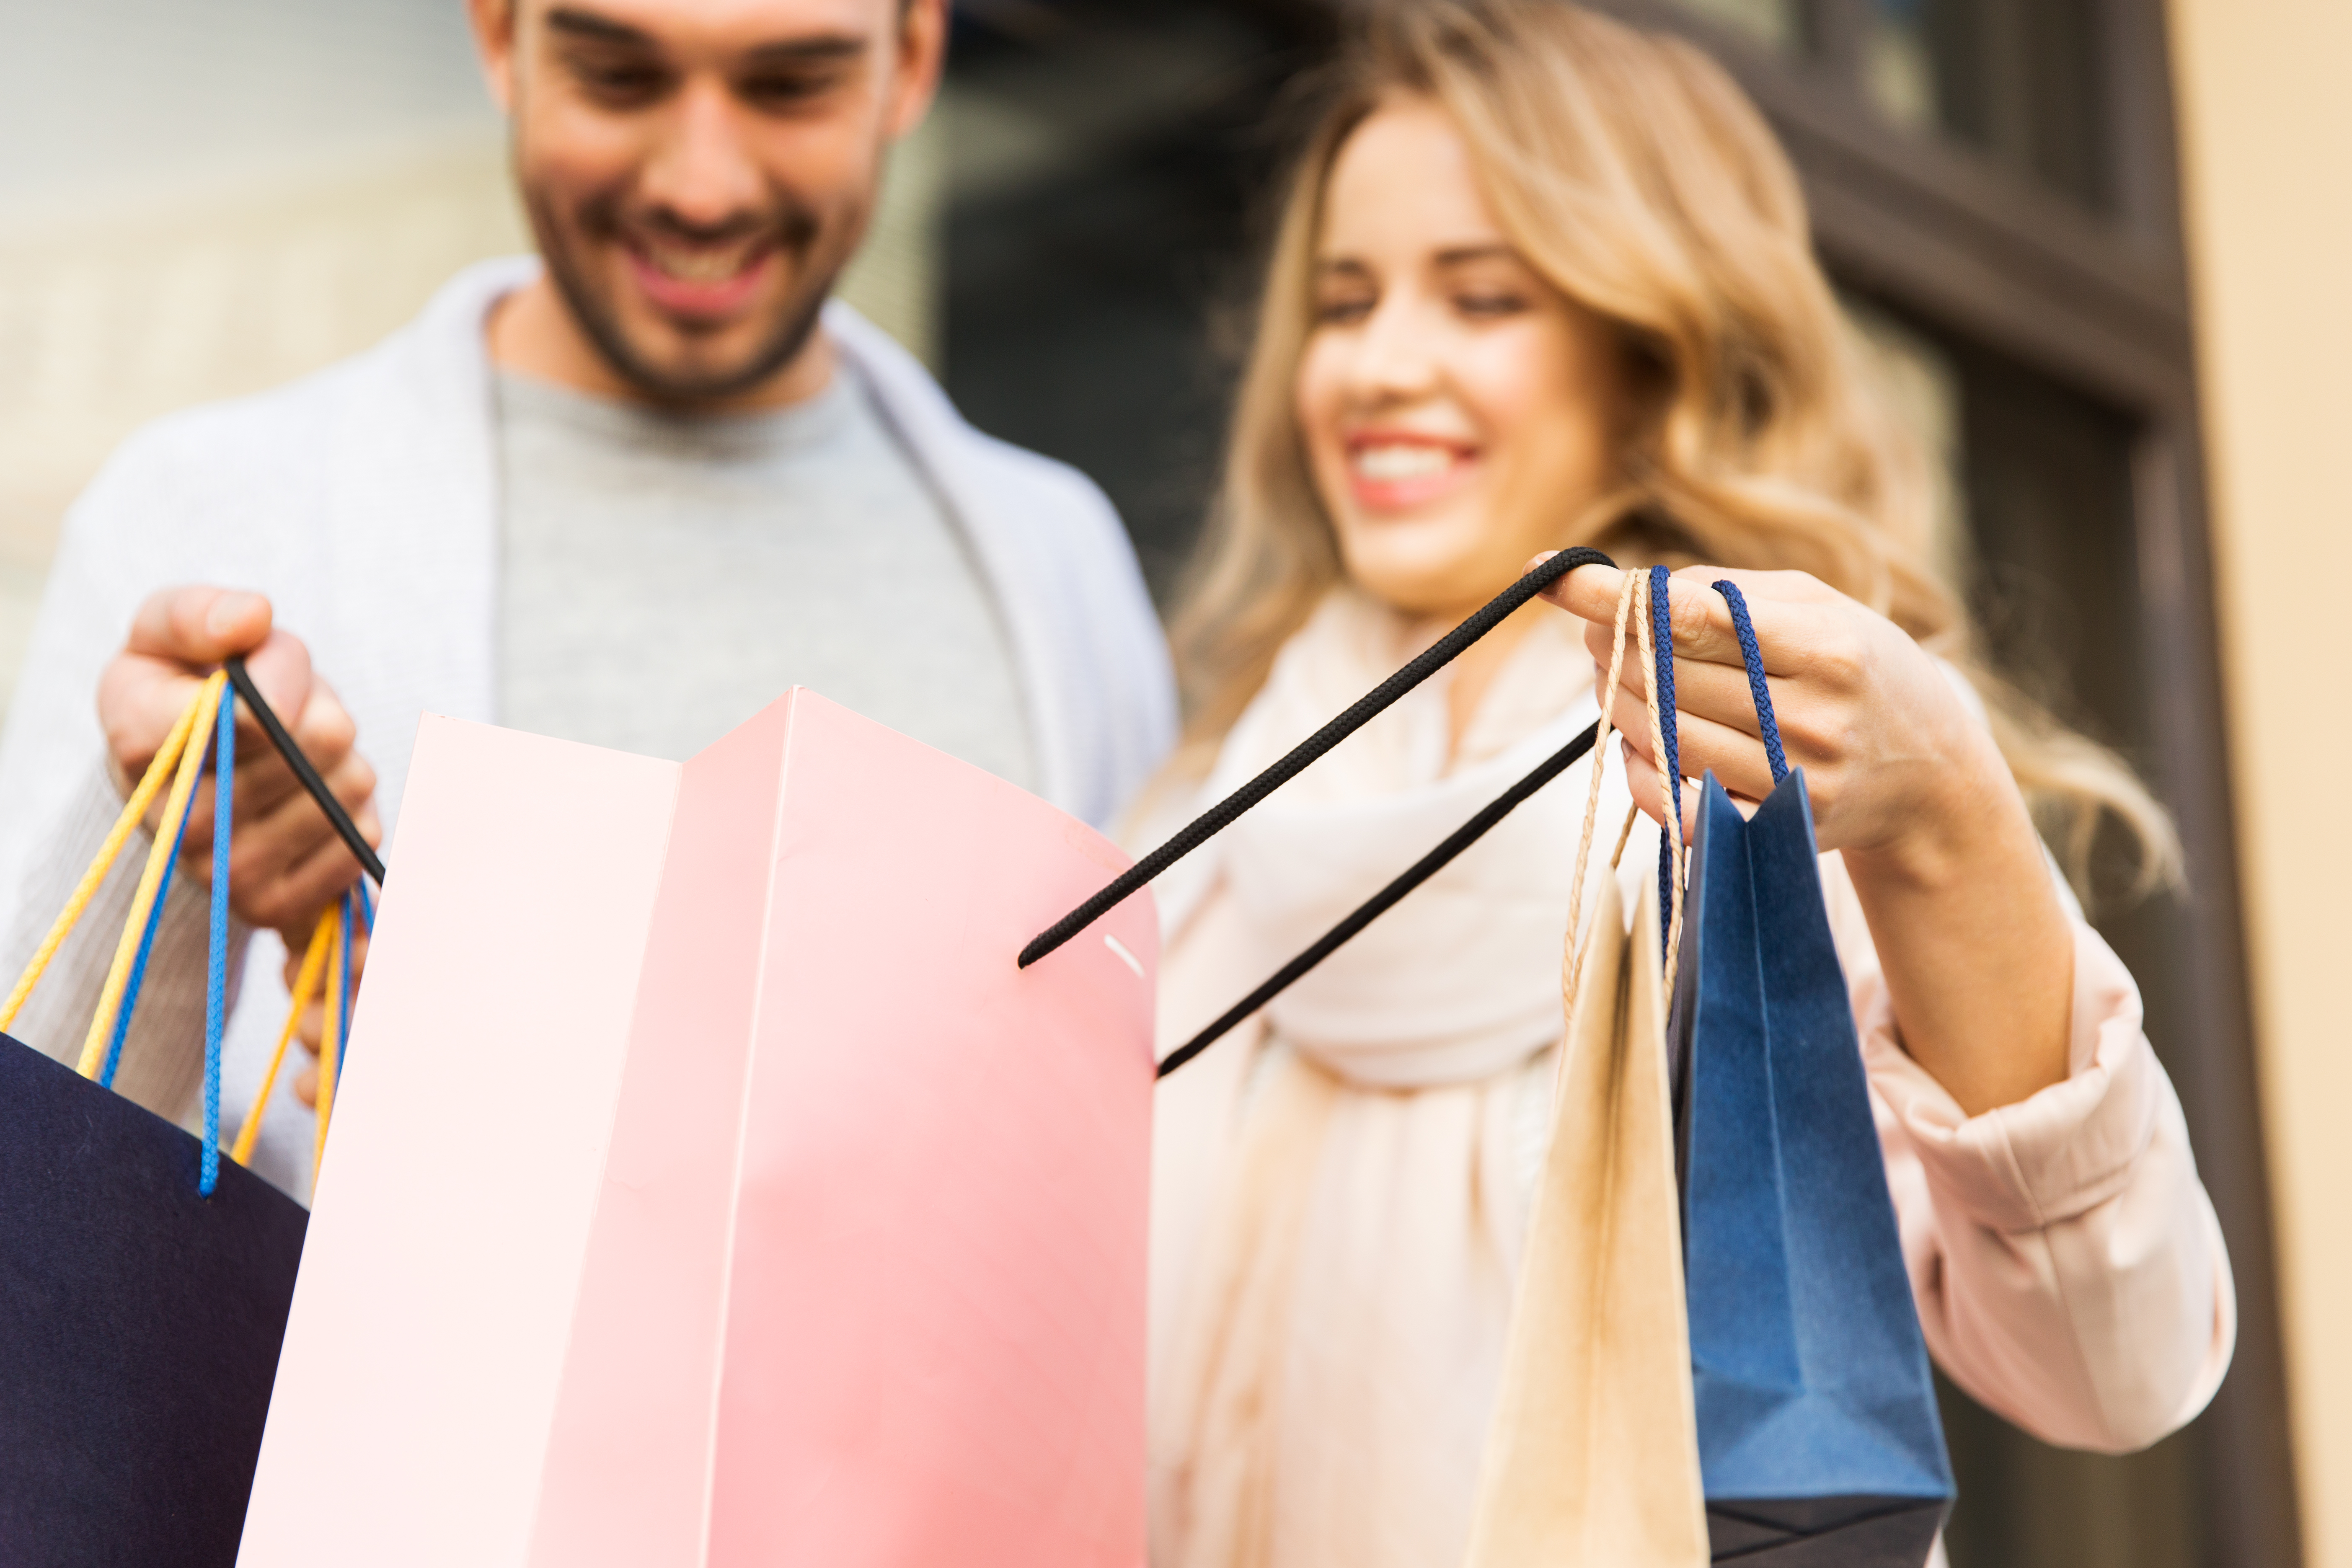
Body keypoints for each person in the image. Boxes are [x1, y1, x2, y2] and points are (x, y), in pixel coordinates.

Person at [1141, 5, 2231, 1565]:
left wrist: (1948, 837)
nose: (1380, 366)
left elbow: (2113, 1371)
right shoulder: (1208, 817)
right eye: (1343, 299)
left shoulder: (1778, 793)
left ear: (1649, 345)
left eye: (1481, 296)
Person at [0, 0, 1172, 1200]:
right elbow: (35, 1216)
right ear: (501, 38)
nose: (704, 186)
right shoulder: (204, 513)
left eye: (789, 87)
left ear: (914, 57)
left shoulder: (1058, 562)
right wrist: (160, 861)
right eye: (620, 77)